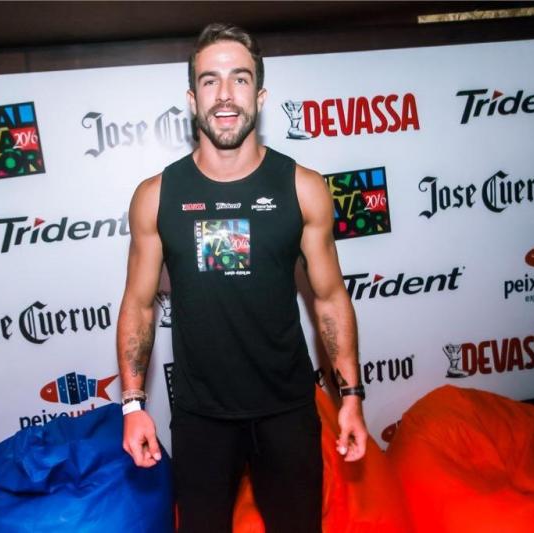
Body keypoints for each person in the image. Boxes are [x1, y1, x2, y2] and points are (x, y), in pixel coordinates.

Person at [117, 22, 368, 533]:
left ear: (261, 95)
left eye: (240, 79)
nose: (225, 95)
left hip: (286, 410)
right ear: (192, 99)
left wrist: (352, 397)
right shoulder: (155, 196)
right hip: (201, 418)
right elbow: (139, 306)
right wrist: (132, 405)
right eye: (210, 81)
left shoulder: (303, 188)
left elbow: (329, 298)